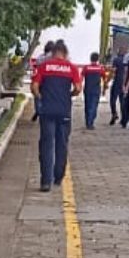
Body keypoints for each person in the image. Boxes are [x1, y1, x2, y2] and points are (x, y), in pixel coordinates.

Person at [30, 41, 82, 192]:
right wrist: (69, 95)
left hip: (47, 111)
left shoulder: (44, 66)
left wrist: (40, 97)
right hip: (64, 111)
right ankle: (58, 176)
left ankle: (46, 182)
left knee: (47, 144)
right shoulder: (71, 67)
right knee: (62, 143)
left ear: (53, 53)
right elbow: (78, 88)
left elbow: (34, 87)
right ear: (65, 53)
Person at [82, 53, 106, 130]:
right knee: (94, 106)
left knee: (87, 106)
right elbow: (104, 79)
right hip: (96, 89)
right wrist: (104, 89)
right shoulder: (100, 68)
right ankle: (90, 122)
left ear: (90, 58)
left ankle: (87, 122)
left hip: (87, 89)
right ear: (97, 59)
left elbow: (81, 77)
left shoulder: (86, 67)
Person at [108, 46, 127, 126]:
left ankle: (114, 113)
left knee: (113, 99)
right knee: (122, 101)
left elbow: (114, 70)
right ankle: (124, 119)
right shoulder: (127, 60)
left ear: (118, 52)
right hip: (124, 82)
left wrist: (109, 70)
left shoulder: (116, 59)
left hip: (117, 81)